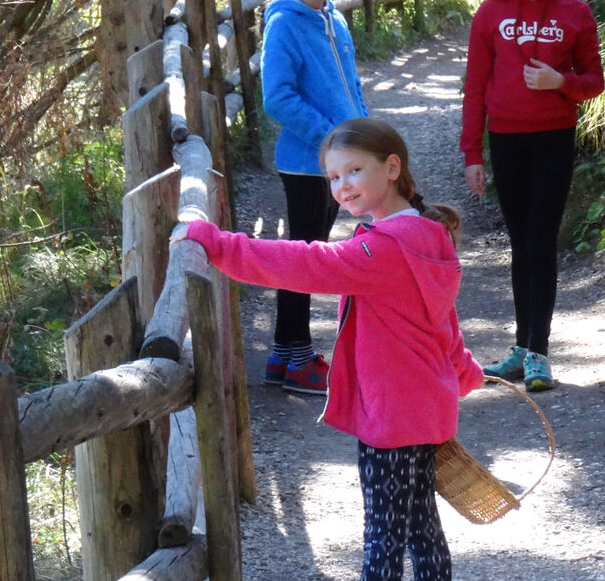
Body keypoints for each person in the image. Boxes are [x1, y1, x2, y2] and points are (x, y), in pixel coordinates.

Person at [175, 117, 484, 581]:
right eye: (335, 177)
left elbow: (307, 264)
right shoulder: (428, 233)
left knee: (383, 535)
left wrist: (218, 244)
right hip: (426, 409)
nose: (343, 186)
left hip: (391, 416)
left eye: (355, 171)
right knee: (421, 526)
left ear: (392, 167)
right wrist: (461, 368)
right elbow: (442, 318)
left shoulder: (385, 249)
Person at [460, 0, 604, 393]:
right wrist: (472, 153)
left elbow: (594, 81)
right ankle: (522, 350)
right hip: (505, 139)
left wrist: (560, 82)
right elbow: (475, 86)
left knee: (541, 243)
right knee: (520, 246)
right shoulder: (490, 12)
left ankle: (539, 352)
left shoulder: (575, 14)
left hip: (552, 139)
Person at [258, 0, 369, 394]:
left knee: (309, 254)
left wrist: (365, 135)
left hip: (339, 160)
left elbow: (350, 88)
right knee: (305, 259)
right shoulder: (285, 23)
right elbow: (277, 97)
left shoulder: (334, 20)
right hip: (307, 162)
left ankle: (285, 356)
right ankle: (299, 359)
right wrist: (331, 139)